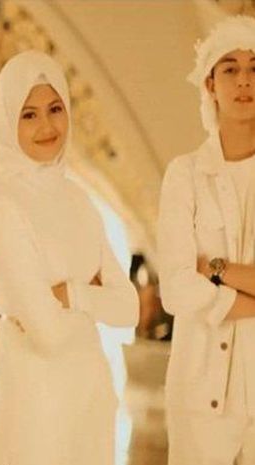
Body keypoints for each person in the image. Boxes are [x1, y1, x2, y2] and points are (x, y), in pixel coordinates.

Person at [0, 50, 138, 465]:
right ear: (9, 120)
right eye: (28, 115)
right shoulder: (4, 202)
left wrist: (69, 294)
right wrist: (91, 300)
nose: (47, 126)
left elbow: (128, 308)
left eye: (55, 109)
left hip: (92, 398)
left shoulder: (79, 200)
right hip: (37, 405)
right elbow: (46, 333)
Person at [159, 15, 255, 464]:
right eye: (230, 68)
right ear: (210, 84)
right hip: (200, 394)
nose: (244, 81)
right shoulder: (185, 175)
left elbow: (195, 278)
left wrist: (216, 270)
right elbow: (177, 289)